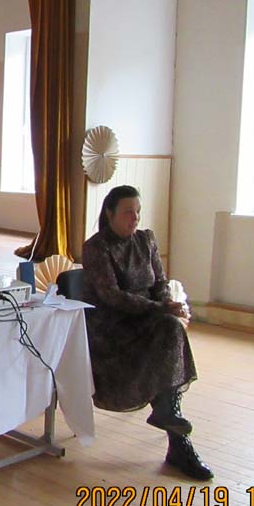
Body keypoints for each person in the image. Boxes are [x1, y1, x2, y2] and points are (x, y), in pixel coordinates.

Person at [80, 185, 213, 481]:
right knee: (166, 334)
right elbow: (112, 296)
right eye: (128, 212)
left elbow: (160, 283)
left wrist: (168, 306)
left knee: (171, 329)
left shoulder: (146, 239)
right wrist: (160, 308)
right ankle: (177, 439)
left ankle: (173, 424)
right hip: (111, 327)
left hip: (147, 316)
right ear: (110, 214)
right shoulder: (97, 247)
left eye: (138, 212)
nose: (135, 218)